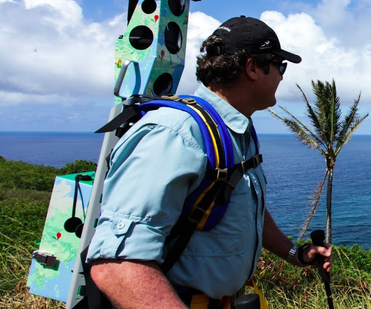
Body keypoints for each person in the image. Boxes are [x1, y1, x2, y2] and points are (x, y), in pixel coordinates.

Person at [86, 16, 332, 308]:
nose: (281, 76)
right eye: (279, 66)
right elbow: (117, 264)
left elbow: (241, 206)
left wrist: (295, 254)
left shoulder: (236, 131)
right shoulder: (175, 132)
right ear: (253, 67)